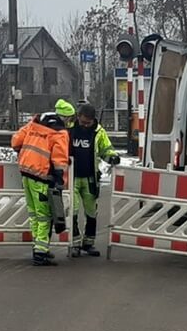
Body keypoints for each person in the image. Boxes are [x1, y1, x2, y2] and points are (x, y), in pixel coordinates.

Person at [10, 106, 71, 265]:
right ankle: (40, 253)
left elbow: (16, 141)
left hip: (26, 174)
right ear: (66, 118)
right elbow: (59, 159)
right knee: (45, 215)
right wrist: (59, 179)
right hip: (42, 177)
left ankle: (38, 246)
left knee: (34, 214)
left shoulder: (34, 124)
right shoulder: (59, 133)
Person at [66, 101, 121, 255]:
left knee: (91, 212)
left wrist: (112, 157)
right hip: (72, 177)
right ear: (78, 117)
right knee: (72, 210)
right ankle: (74, 243)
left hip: (90, 178)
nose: (85, 125)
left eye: (88, 123)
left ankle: (88, 243)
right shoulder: (69, 129)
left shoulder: (98, 132)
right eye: (83, 122)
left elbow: (106, 149)